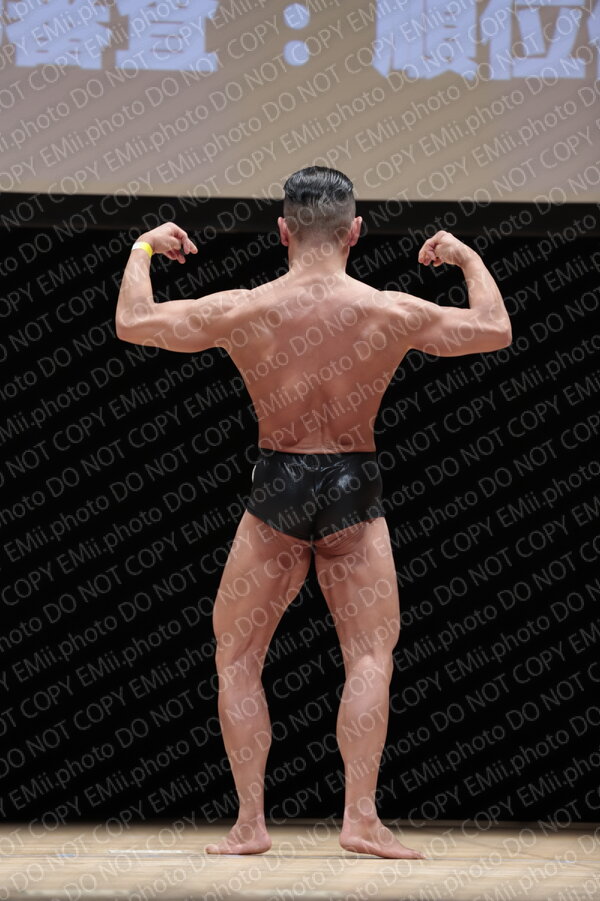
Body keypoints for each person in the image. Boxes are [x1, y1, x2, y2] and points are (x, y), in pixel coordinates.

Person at [115, 166, 512, 859]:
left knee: (238, 656)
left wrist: (143, 248)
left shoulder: (246, 307)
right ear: (355, 231)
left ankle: (250, 823)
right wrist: (466, 257)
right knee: (370, 656)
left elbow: (134, 320)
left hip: (279, 480)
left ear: (282, 231)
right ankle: (360, 819)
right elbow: (494, 328)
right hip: (353, 481)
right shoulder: (389, 309)